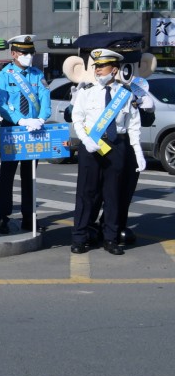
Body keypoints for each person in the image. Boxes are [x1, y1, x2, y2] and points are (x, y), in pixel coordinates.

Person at [70, 48, 144, 256]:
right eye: (96, 66)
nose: (98, 70)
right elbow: (78, 119)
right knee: (86, 193)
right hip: (92, 146)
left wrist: (137, 149)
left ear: (115, 69)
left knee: (113, 195)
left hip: (117, 146)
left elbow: (133, 124)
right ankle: (79, 237)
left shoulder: (125, 94)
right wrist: (85, 140)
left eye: (102, 66)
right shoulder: (86, 92)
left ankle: (110, 239)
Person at [0, 35, 51, 235]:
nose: (28, 56)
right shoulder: (5, 74)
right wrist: (20, 120)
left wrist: (41, 119)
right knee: (7, 175)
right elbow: (1, 102)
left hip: (34, 129)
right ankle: (2, 217)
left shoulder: (37, 74)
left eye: (30, 52)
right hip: (12, 127)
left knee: (30, 176)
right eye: (24, 52)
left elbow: (45, 98)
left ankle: (29, 218)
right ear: (14, 54)